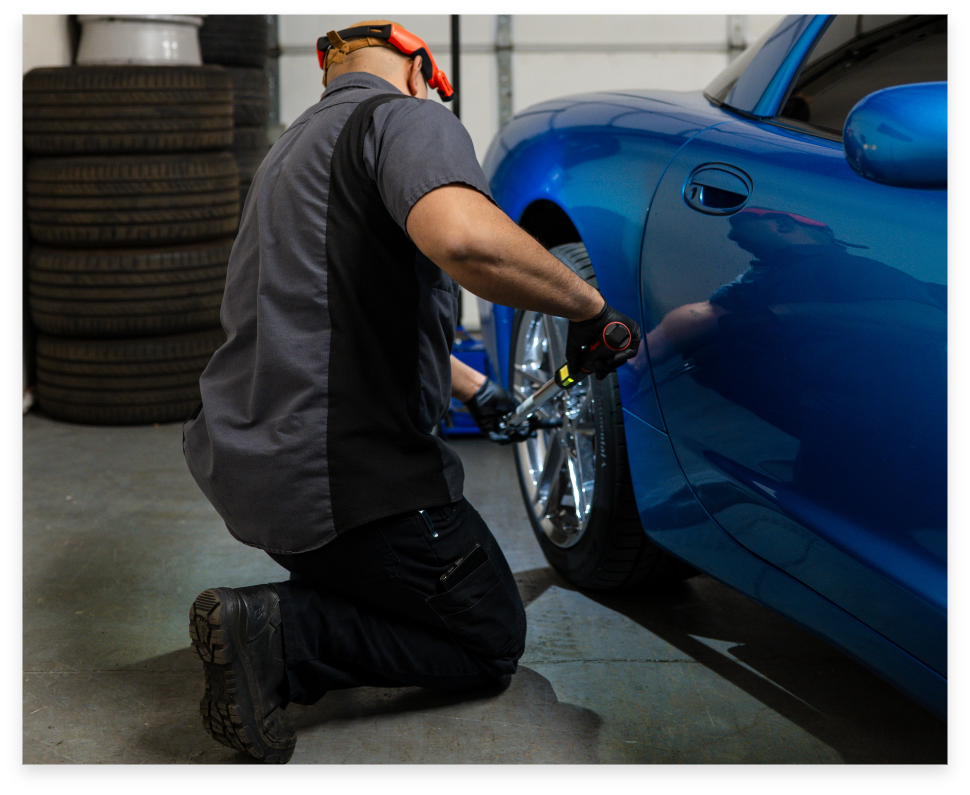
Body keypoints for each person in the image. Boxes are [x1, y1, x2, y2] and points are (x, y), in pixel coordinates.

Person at [182, 20, 640, 764]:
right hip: (344, 479)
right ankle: (285, 635)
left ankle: (321, 598)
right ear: (421, 70)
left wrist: (477, 387)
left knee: (397, 581)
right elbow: (464, 240)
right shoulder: (406, 117)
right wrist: (591, 310)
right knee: (488, 636)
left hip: (250, 468)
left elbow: (327, 307)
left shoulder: (289, 152)